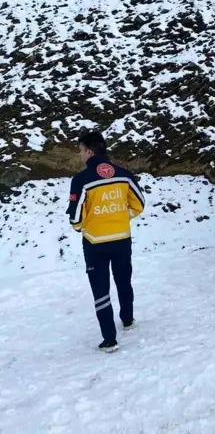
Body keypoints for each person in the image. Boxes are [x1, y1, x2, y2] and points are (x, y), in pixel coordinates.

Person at [66, 131, 146, 353]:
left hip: (95, 242)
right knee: (123, 280)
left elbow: (75, 217)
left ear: (89, 152)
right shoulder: (123, 174)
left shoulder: (81, 179)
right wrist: (121, 217)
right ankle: (128, 320)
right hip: (122, 238)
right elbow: (139, 204)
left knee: (100, 289)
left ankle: (109, 339)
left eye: (81, 150)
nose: (80, 155)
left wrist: (82, 226)